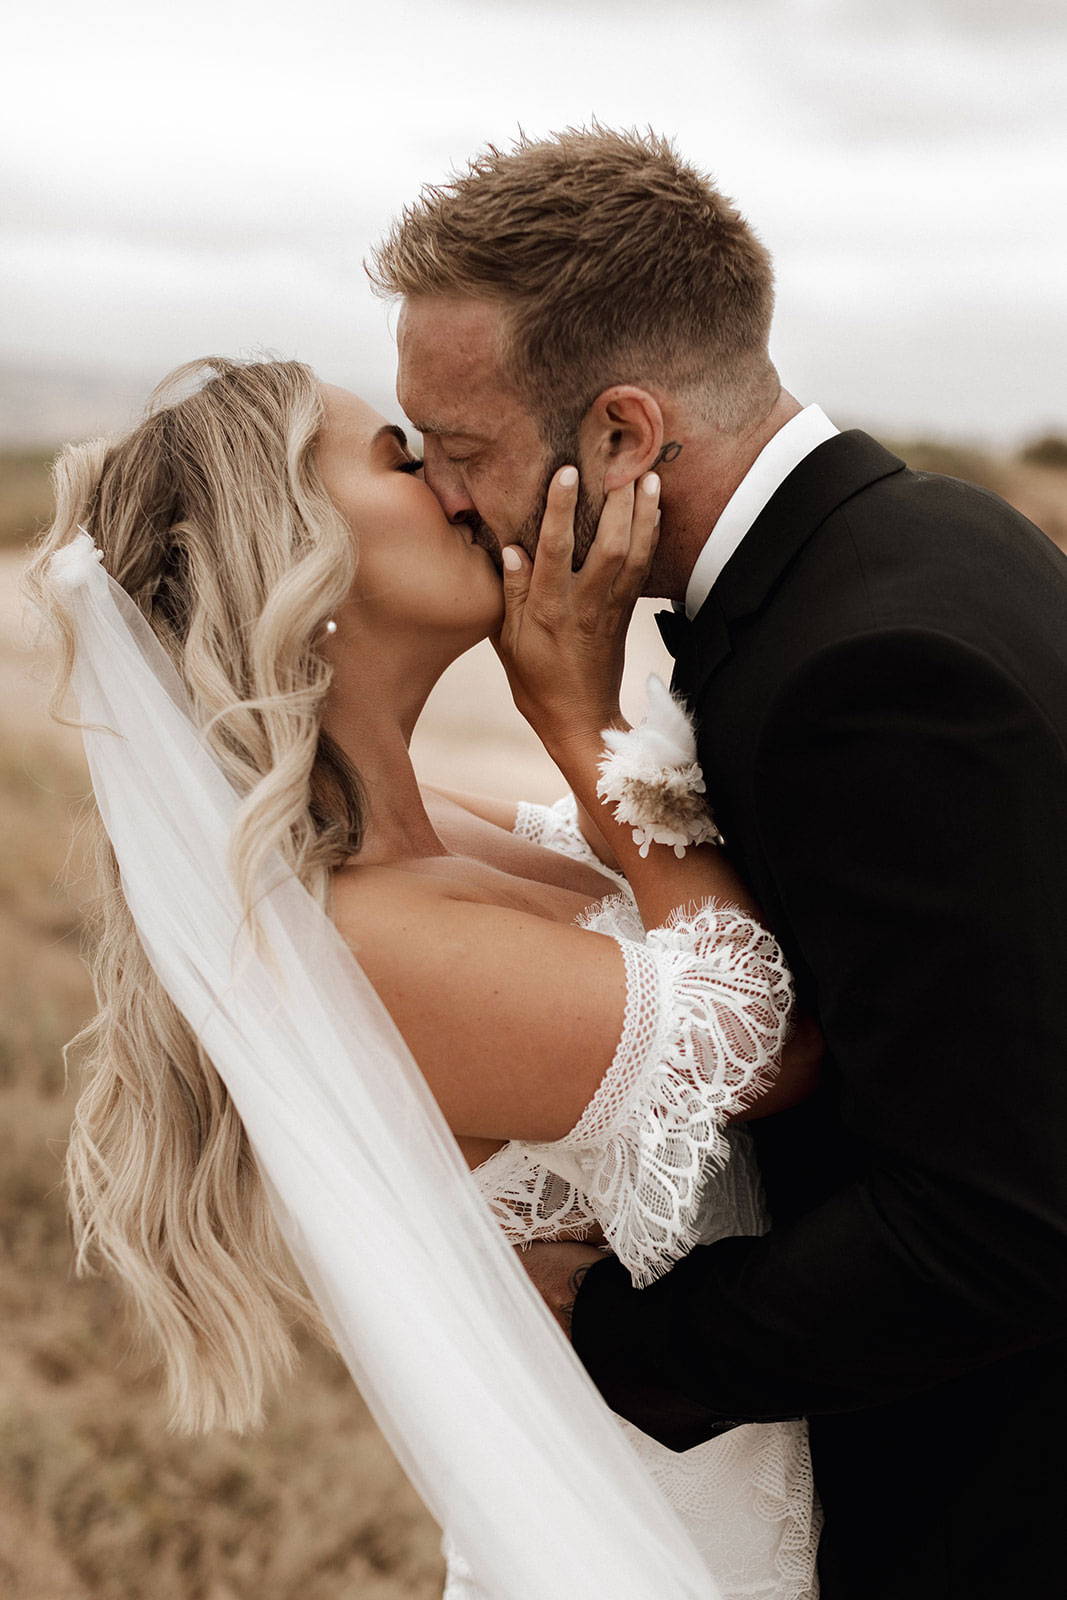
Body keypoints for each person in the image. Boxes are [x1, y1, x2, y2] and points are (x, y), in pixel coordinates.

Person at [371, 125, 1067, 1599]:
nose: (440, 494)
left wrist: (617, 1344)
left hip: (985, 1503)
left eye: (461, 448)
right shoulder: (931, 540)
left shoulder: (864, 673)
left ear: (619, 436)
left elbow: (1002, 1220)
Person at [31, 356, 824, 1598]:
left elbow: (661, 893)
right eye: (402, 459)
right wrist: (580, 719)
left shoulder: (415, 835)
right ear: (293, 543)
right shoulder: (354, 938)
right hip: (669, 1552)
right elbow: (762, 1037)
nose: (456, 487)